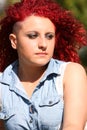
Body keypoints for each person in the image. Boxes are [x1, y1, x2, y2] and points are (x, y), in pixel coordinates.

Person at [0, 0, 87, 130]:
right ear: (14, 41)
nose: (43, 44)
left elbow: (73, 126)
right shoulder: (2, 84)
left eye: (49, 36)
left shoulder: (70, 73)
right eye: (33, 36)